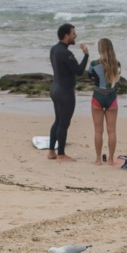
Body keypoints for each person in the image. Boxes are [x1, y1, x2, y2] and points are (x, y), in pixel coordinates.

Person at [46, 22, 86, 162]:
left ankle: (51, 152)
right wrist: (86, 55)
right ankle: (61, 155)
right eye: (73, 33)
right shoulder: (66, 53)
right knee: (64, 123)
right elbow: (79, 71)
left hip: (55, 88)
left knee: (58, 121)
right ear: (66, 35)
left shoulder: (54, 49)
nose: (75, 35)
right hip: (65, 92)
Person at [87, 38, 121, 165]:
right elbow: (117, 78)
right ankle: (111, 159)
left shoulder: (94, 64)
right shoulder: (117, 64)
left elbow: (89, 75)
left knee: (98, 130)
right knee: (112, 131)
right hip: (111, 96)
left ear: (100, 49)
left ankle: (98, 159)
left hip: (98, 96)